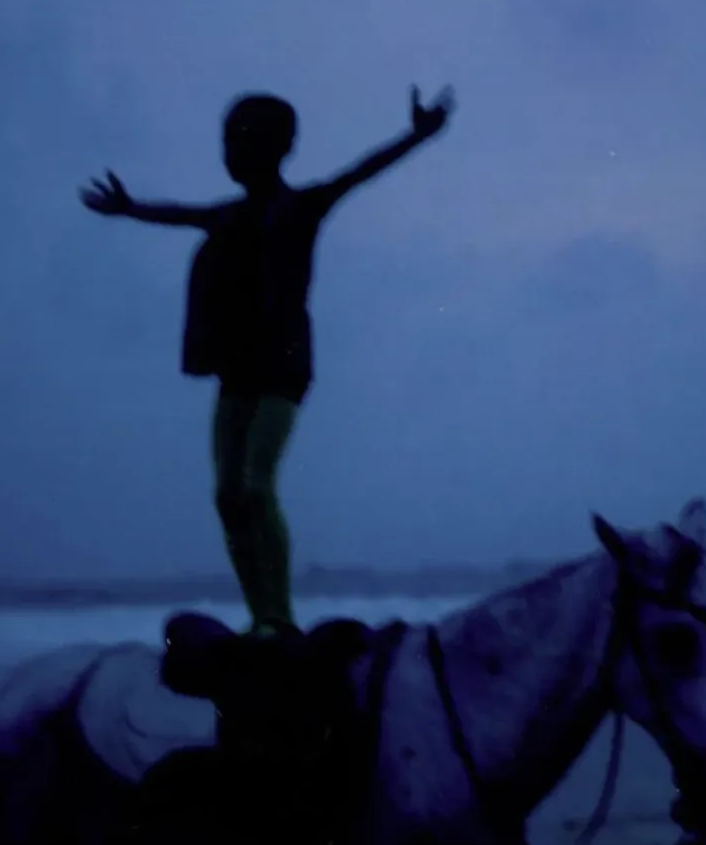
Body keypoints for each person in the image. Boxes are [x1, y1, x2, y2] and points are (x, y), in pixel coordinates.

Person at [80, 85, 457, 639]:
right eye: (226, 143)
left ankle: (278, 618)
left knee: (257, 487)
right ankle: (259, 617)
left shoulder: (303, 206)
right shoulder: (228, 216)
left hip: (283, 365)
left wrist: (417, 135)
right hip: (237, 367)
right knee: (226, 496)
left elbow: (363, 171)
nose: (228, 154)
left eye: (238, 142)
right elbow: (179, 214)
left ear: (274, 148)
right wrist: (130, 208)